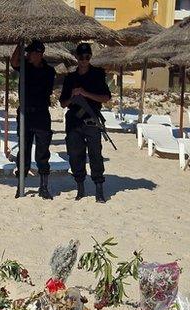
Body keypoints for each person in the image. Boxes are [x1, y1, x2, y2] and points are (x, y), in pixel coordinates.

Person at [60, 42, 112, 202]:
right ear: (76, 57)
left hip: (91, 119)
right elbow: (63, 103)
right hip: (74, 121)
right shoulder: (70, 78)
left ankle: (99, 188)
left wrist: (85, 93)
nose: (84, 60)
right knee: (75, 154)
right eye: (81, 57)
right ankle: (80, 186)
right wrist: (73, 98)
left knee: (95, 153)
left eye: (87, 57)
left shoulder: (97, 74)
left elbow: (106, 97)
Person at [11, 40, 56, 199]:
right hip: (25, 114)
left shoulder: (49, 71)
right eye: (28, 52)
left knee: (43, 152)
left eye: (32, 53)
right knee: (23, 151)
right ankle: (20, 185)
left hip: (41, 114)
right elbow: (14, 61)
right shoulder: (24, 66)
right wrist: (19, 45)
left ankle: (43, 186)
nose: (29, 55)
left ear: (39, 54)